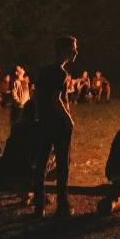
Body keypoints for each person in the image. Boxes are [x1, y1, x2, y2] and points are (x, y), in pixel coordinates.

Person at [33, 36, 78, 218]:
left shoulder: (44, 70)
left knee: (42, 163)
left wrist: (38, 114)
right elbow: (56, 99)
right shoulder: (61, 74)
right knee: (62, 165)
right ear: (65, 50)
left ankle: (39, 205)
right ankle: (63, 205)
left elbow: (38, 95)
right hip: (58, 125)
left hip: (44, 122)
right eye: (73, 48)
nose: (76, 52)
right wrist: (69, 120)